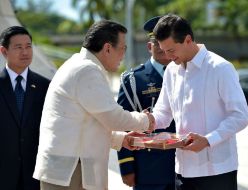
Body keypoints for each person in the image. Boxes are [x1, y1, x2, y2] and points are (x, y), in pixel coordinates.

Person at [33, 20, 155, 190]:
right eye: (123, 48)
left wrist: (121, 139)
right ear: (107, 48)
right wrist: (146, 120)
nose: (123, 55)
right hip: (71, 173)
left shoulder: (78, 64)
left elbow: (87, 123)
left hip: (69, 171)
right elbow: (112, 117)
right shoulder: (87, 70)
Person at [151, 14, 248, 190]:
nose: (167, 56)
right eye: (163, 50)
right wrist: (146, 121)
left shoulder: (220, 68)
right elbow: (163, 113)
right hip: (182, 170)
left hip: (217, 171)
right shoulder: (171, 71)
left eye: (171, 50)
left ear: (188, 40)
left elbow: (240, 115)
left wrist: (208, 140)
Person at [117, 16, 176, 190]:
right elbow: (123, 123)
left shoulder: (187, 75)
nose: (162, 48)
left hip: (185, 166)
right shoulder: (133, 79)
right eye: (157, 43)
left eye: (166, 42)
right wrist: (126, 166)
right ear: (149, 46)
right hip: (148, 168)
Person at [0, 26, 50, 190]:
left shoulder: (45, 86)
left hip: (35, 175)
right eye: (18, 47)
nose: (25, 52)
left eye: (28, 46)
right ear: (4, 51)